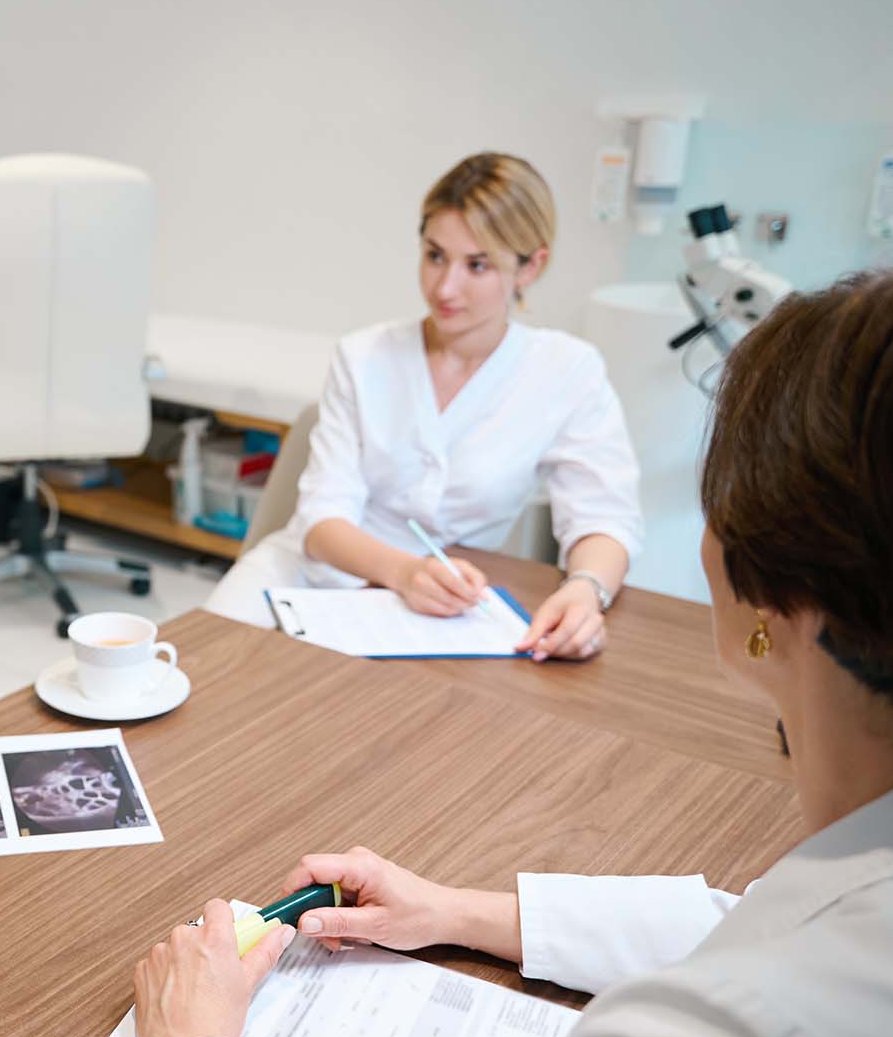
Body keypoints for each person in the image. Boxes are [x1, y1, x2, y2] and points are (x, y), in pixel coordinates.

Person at [97, 243, 893, 1037]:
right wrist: (452, 912)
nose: (449, 283)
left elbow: (771, 967)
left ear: (772, 589)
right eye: (434, 254)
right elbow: (753, 920)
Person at [205, 153, 642, 661]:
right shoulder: (364, 356)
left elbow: (605, 519)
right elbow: (321, 522)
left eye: (476, 265)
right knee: (204, 676)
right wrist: (404, 573)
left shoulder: (566, 372)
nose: (444, 287)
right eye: (435, 255)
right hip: (304, 581)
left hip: (438, 615)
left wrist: (585, 590)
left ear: (531, 266)